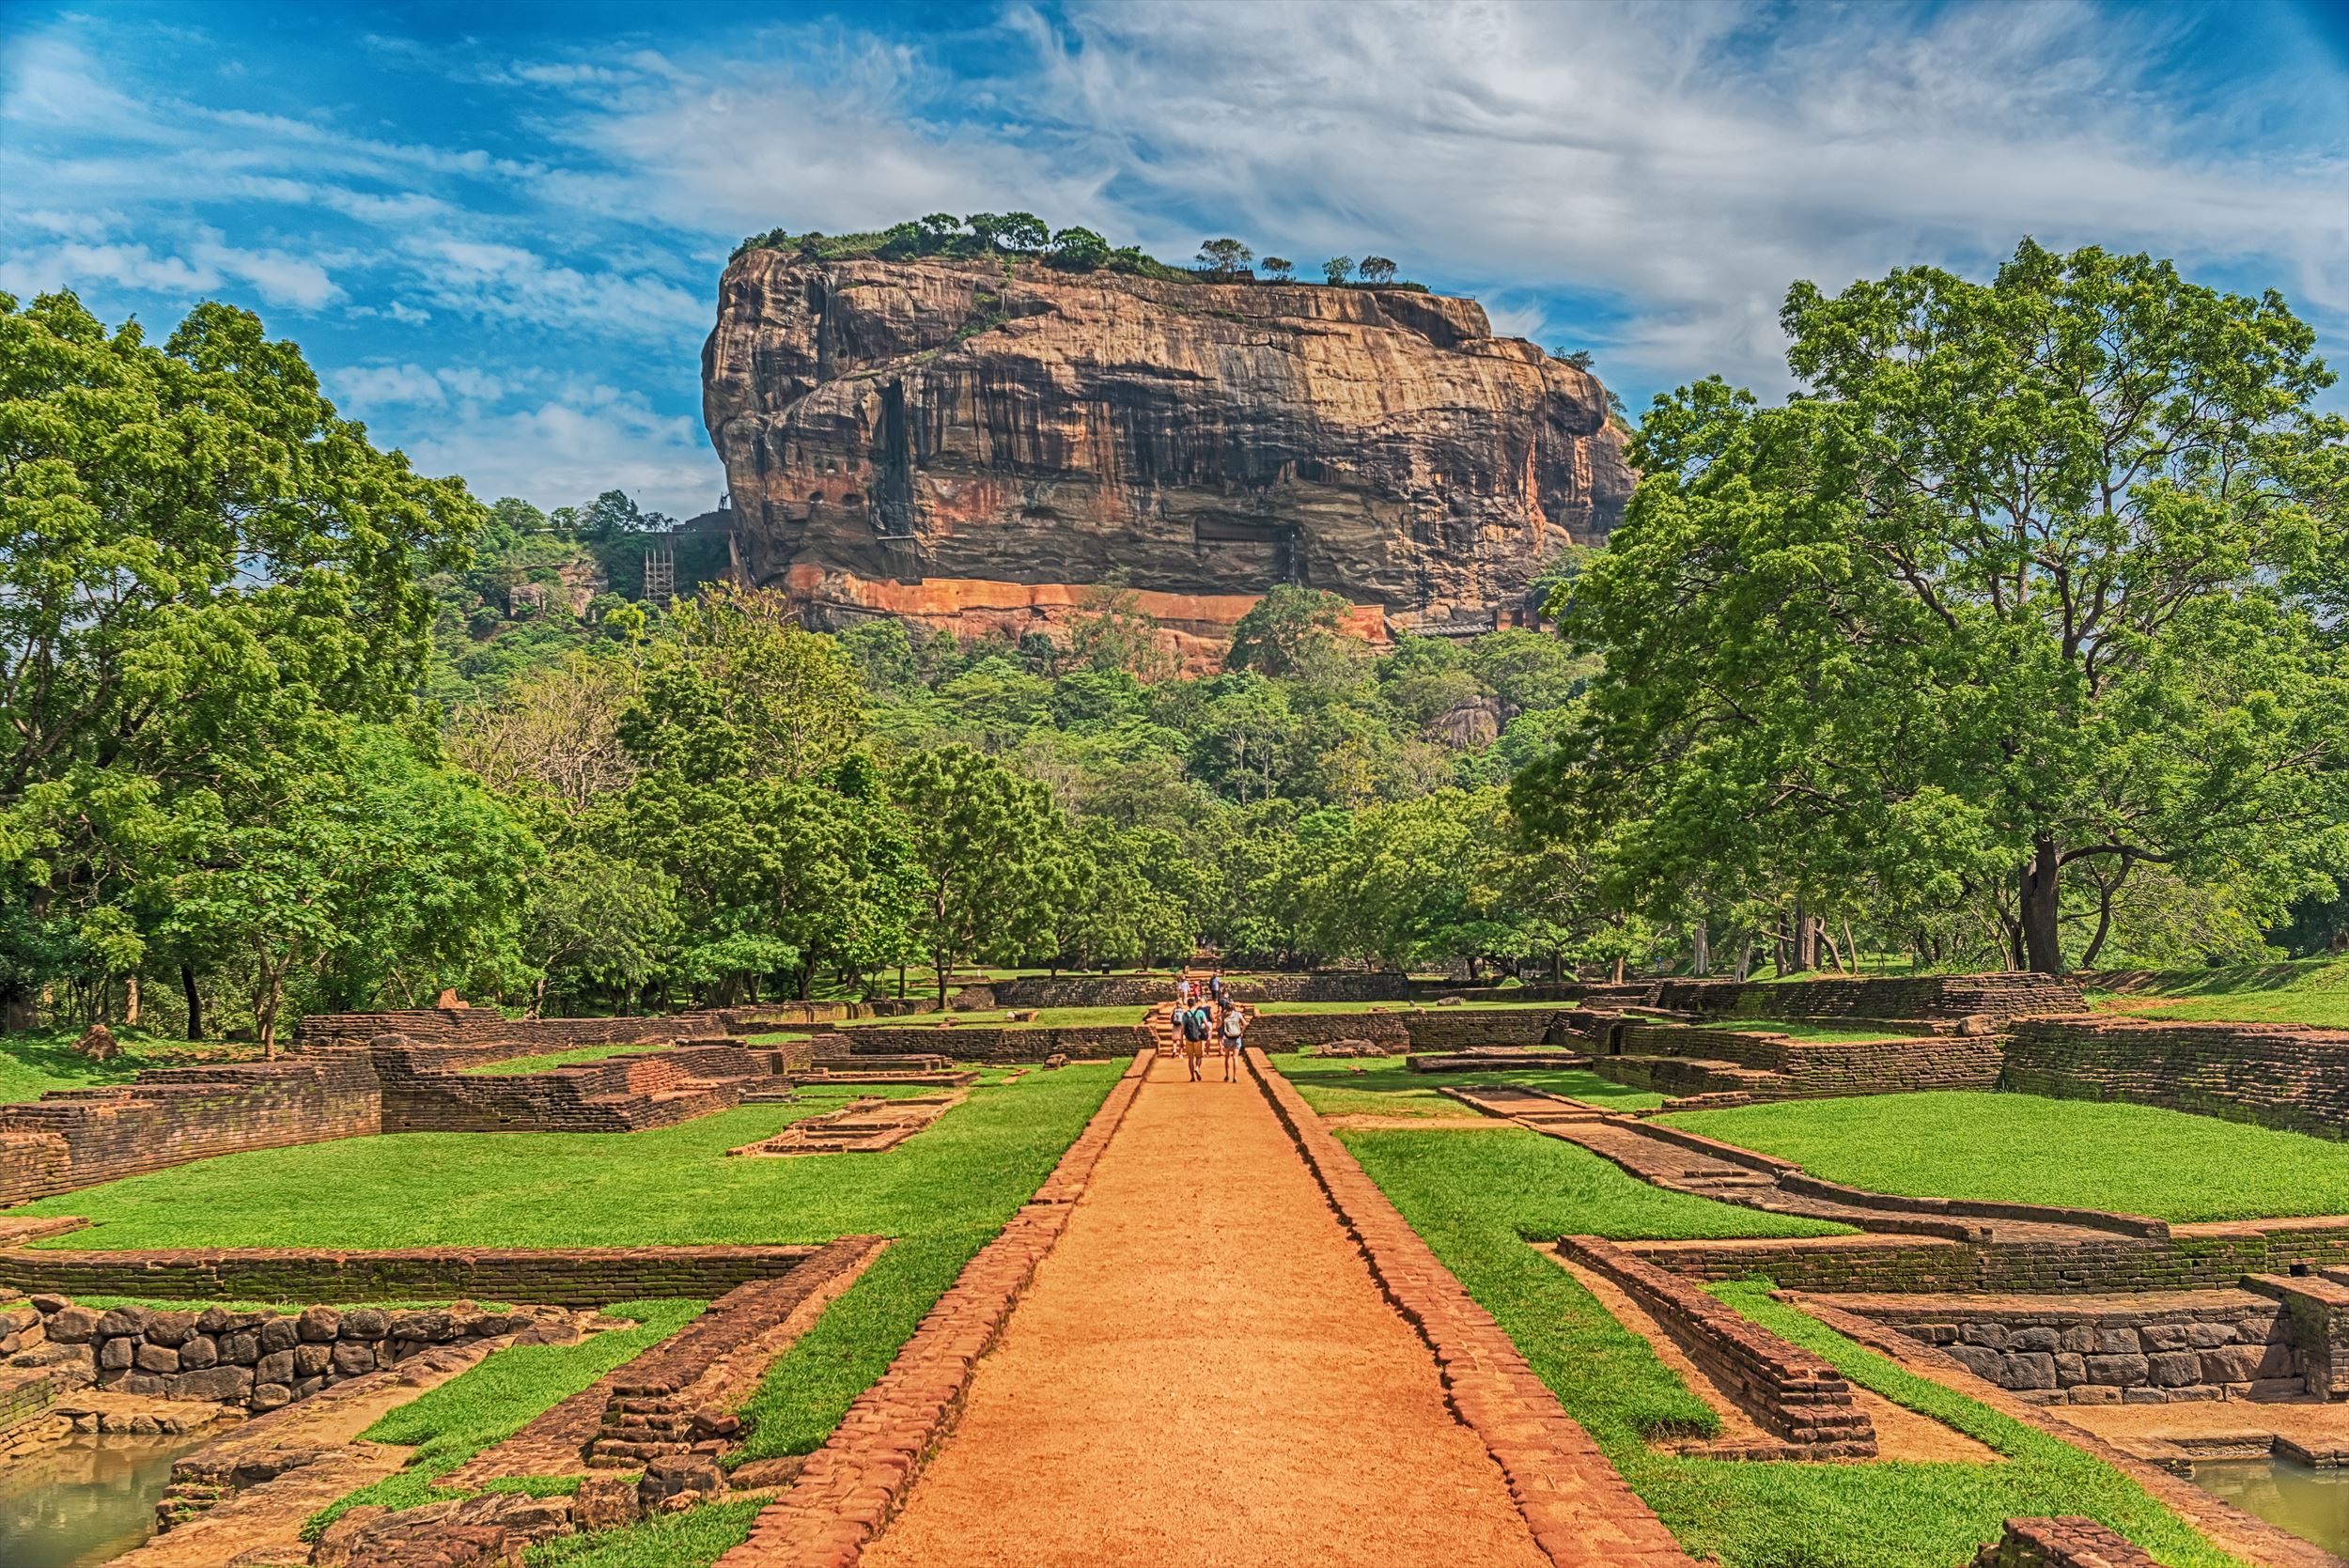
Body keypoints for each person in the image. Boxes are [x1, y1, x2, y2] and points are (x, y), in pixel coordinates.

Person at [1180, 1001, 1210, 1080]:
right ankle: (1197, 1068)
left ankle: (1192, 1077)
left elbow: (1182, 1029)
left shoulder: (1185, 1015)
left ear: (1188, 1005)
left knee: (1190, 1058)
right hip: (1198, 1037)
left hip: (1188, 1038)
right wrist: (1206, 1033)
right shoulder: (1200, 1012)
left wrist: (1181, 1041)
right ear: (1195, 1004)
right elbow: (1207, 1025)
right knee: (1199, 1056)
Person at [1219, 1002, 1246, 1080]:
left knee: (1227, 1057)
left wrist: (1221, 1014)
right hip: (1237, 1037)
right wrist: (1242, 1032)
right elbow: (1245, 1024)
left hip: (1227, 1037)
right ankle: (1235, 1076)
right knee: (1235, 1058)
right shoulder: (1238, 1014)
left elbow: (1218, 1024)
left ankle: (1227, 1075)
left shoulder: (1224, 1015)